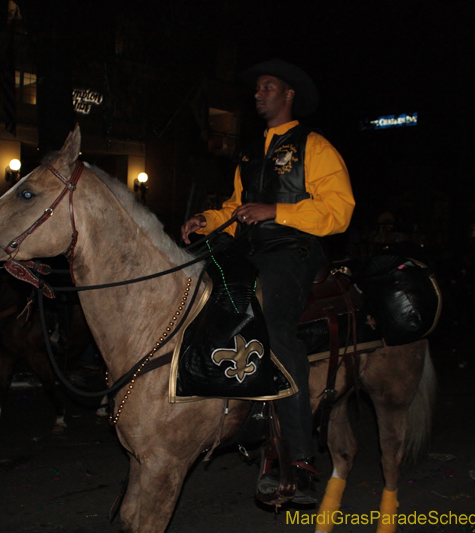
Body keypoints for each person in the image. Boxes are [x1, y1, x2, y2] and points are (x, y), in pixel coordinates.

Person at [181, 59, 355, 504]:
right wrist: (209, 219)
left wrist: (277, 212)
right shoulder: (250, 154)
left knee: (274, 325)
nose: (258, 94)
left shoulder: (314, 145)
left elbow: (340, 210)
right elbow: (237, 208)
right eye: (257, 88)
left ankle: (299, 459)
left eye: (267, 86)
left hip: (296, 248)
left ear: (289, 93)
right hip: (254, 249)